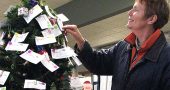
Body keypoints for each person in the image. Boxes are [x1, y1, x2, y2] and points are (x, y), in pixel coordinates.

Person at [63, 0, 170, 90]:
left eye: (135, 10)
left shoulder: (166, 56)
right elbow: (97, 63)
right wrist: (80, 41)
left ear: (151, 19)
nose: (129, 12)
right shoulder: (123, 47)